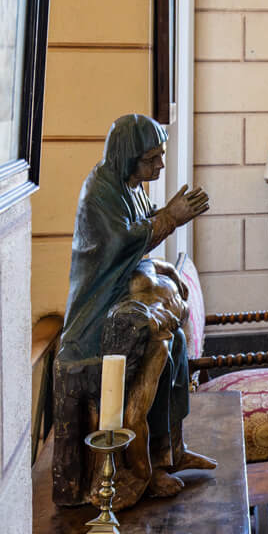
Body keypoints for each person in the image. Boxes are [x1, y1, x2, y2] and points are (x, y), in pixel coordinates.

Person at [51, 114, 212, 505]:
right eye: (151, 158)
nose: (159, 165)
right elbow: (123, 244)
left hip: (125, 300)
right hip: (97, 315)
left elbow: (141, 234)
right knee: (153, 356)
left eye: (161, 155)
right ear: (127, 157)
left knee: (174, 346)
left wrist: (164, 247)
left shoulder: (131, 186)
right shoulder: (99, 191)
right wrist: (170, 218)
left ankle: (170, 451)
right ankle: (140, 470)